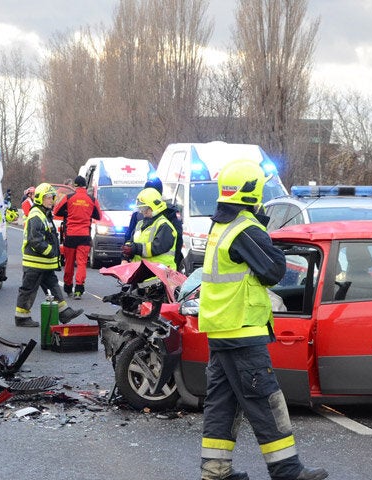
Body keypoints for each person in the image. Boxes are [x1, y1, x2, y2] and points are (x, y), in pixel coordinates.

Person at [198, 160, 327, 480]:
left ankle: (215, 470)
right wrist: (266, 234)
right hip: (243, 331)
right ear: (252, 191)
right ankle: (286, 470)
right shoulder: (246, 228)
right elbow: (273, 271)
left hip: (221, 330)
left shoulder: (221, 225)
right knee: (266, 400)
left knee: (221, 402)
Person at [14, 183, 83, 328]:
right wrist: (51, 252)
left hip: (44, 263)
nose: (52, 200)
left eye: (52, 197)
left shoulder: (44, 213)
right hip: (35, 263)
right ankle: (22, 317)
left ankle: (64, 312)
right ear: (40, 198)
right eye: (49, 197)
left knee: (53, 286)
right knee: (28, 290)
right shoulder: (36, 215)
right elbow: (35, 240)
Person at [52, 175, 100, 299]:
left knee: (69, 263)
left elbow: (56, 211)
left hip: (71, 235)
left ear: (75, 186)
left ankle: (68, 287)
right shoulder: (92, 199)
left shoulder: (68, 197)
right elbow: (98, 215)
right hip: (84, 235)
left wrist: (67, 212)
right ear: (85, 186)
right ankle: (79, 288)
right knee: (81, 263)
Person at [125, 177, 183, 269]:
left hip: (159, 274)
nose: (142, 211)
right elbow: (130, 239)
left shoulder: (164, 224)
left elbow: (158, 246)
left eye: (144, 208)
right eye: (141, 208)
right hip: (141, 271)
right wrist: (126, 254)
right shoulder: (140, 223)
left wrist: (135, 248)